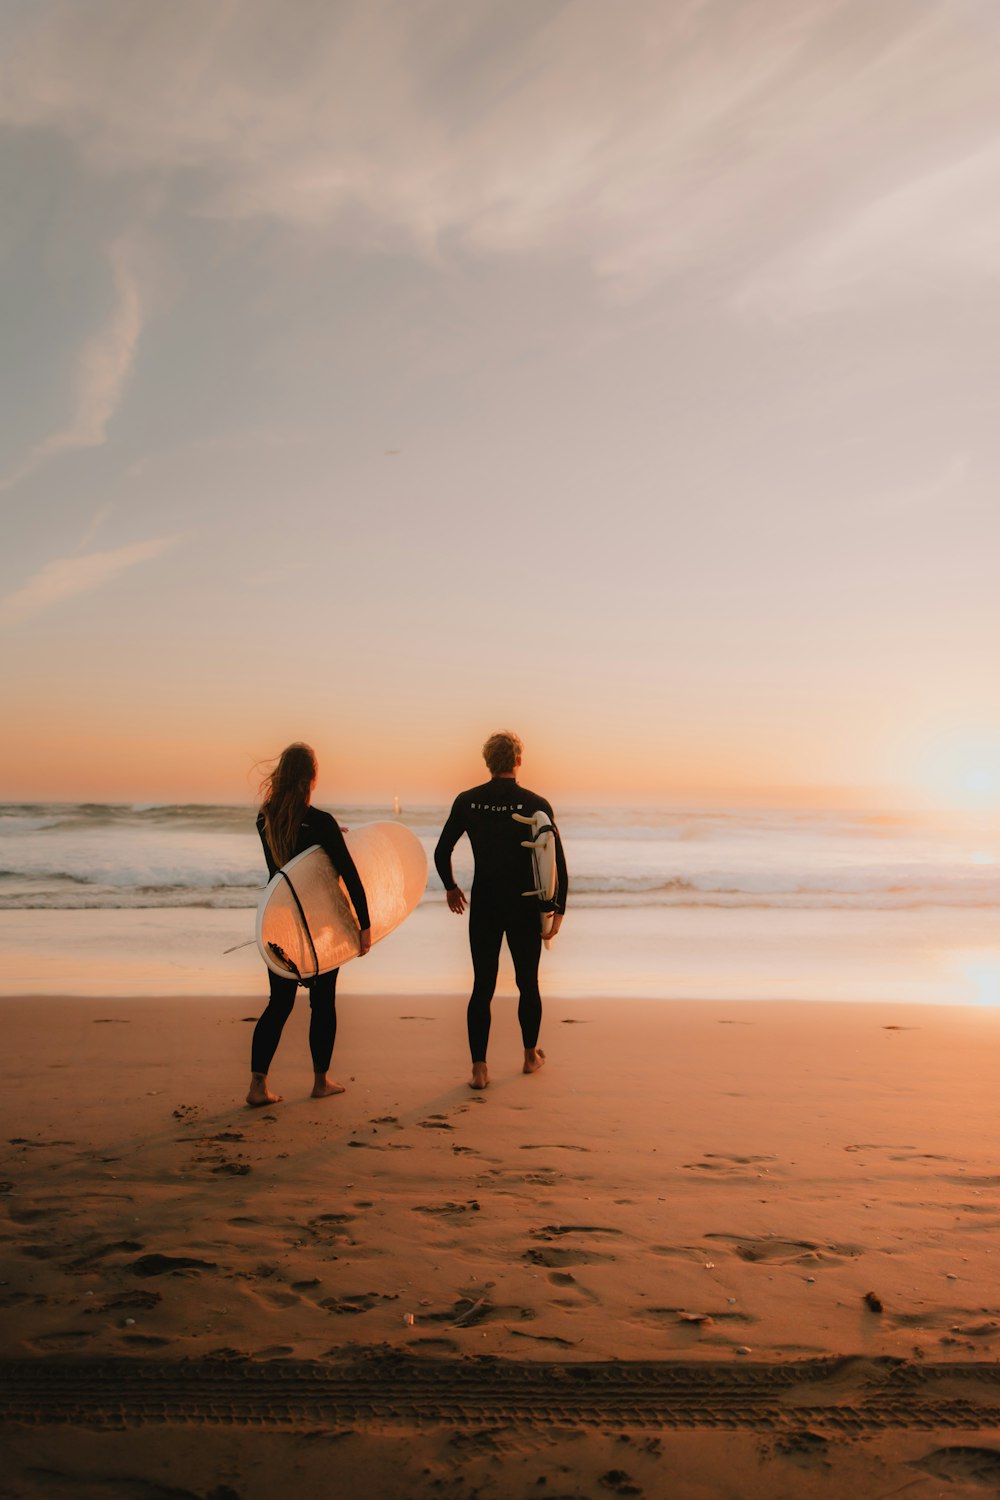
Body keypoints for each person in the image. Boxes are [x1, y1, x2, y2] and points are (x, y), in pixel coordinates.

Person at [434, 730, 568, 1090]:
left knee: (482, 986)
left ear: (488, 762)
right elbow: (556, 863)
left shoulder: (468, 801)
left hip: (486, 904)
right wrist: (558, 909)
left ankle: (479, 1069)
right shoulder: (535, 803)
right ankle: (529, 1056)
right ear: (518, 760)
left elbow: (441, 850)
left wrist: (450, 887)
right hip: (524, 905)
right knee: (528, 983)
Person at [248, 742, 371, 1107]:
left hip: (279, 923)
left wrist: (331, 836)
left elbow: (296, 858)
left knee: (279, 1003)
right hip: (320, 924)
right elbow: (347, 873)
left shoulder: (265, 818)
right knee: (323, 1002)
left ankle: (257, 1086)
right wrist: (364, 925)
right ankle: (321, 1081)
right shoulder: (321, 822)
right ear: (312, 776)